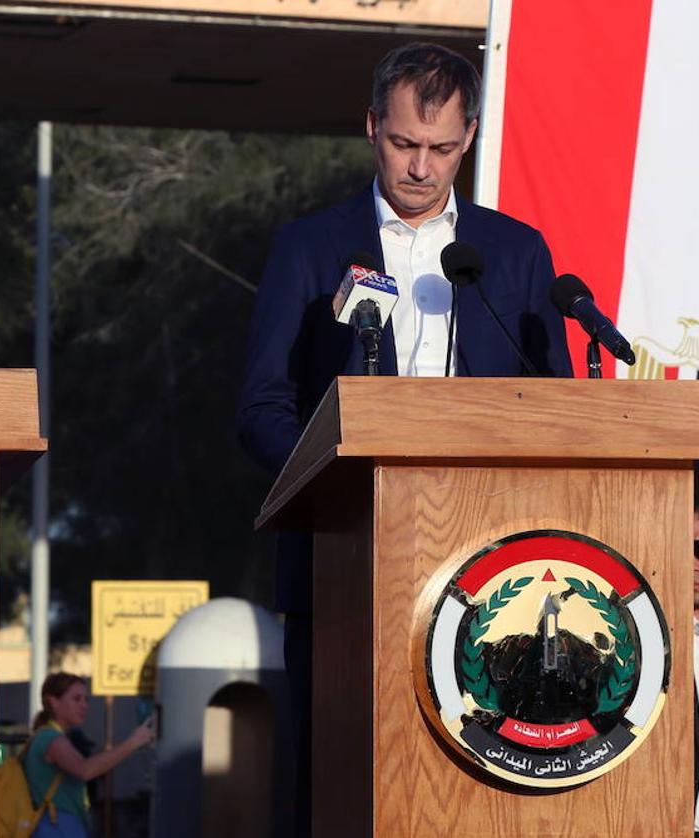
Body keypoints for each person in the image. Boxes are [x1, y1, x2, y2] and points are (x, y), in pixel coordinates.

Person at [236, 42, 572, 836]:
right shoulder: (310, 247)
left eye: (443, 149)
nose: (421, 167)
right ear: (371, 128)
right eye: (404, 144)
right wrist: (329, 483)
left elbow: (555, 410)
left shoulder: (515, 256)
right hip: (340, 568)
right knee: (337, 793)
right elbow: (261, 405)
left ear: (471, 138)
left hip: (491, 575)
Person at [24, 673, 155, 838]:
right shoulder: (49, 738)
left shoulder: (54, 736)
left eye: (86, 700)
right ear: (53, 702)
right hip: (55, 829)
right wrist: (133, 742)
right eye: (76, 699)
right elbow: (85, 769)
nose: (84, 705)